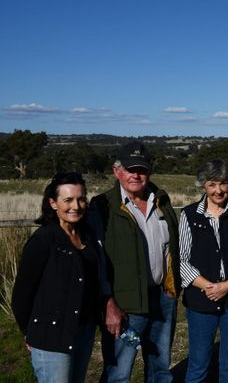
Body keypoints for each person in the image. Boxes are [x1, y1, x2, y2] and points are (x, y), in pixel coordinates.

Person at [90, 141, 181, 383]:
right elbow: (96, 262)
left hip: (162, 299)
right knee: (119, 370)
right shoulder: (102, 207)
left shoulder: (162, 201)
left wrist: (173, 291)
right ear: (116, 170)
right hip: (125, 305)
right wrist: (108, 303)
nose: (136, 175)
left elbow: (172, 249)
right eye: (130, 169)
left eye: (141, 169)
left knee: (161, 366)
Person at [12, 172, 100, 383]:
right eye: (68, 200)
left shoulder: (87, 236)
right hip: (51, 336)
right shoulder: (43, 241)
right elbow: (21, 296)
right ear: (53, 203)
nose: (76, 206)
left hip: (83, 331)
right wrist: (30, 332)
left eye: (81, 199)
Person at [179, 159, 228, 383]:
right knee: (198, 364)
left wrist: (227, 286)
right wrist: (208, 286)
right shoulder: (189, 215)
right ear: (203, 185)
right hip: (200, 301)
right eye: (212, 184)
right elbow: (182, 260)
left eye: (223, 183)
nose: (218, 190)